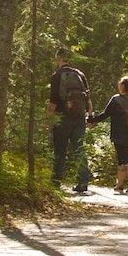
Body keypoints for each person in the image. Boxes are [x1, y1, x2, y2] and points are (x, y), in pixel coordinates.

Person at [45, 47, 92, 193]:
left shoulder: (56, 76)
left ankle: (56, 181)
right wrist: (90, 116)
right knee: (79, 149)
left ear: (58, 59)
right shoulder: (80, 74)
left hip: (62, 117)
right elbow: (88, 99)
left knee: (60, 150)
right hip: (79, 117)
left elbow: (53, 101)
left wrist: (47, 120)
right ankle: (83, 182)